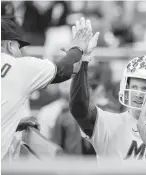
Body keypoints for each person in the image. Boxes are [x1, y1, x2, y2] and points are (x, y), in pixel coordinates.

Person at [69, 27, 146, 175]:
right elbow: (79, 107)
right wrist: (82, 62)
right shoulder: (109, 123)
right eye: (134, 87)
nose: (138, 93)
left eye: (145, 88)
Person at [1, 17, 99, 160]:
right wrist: (78, 47)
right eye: (18, 47)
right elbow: (64, 69)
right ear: (10, 45)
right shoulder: (16, 66)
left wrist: (12, 125)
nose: (20, 52)